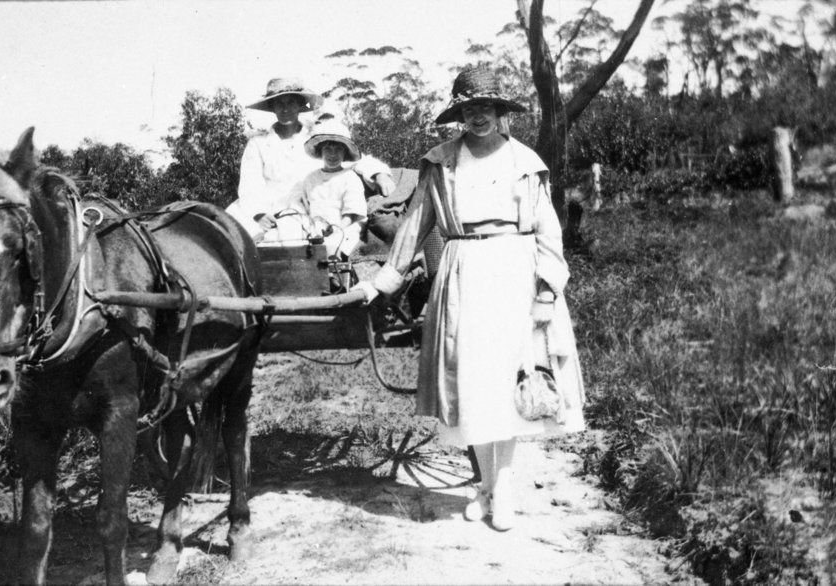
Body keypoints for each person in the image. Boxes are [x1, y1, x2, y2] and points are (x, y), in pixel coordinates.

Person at [354, 66, 586, 532]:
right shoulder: (440, 163)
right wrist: (382, 281)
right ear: (459, 115)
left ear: (501, 113)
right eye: (469, 109)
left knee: (512, 385)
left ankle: (501, 490)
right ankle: (483, 488)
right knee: (475, 390)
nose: (478, 117)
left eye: (487, 108)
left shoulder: (525, 162)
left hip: (517, 277)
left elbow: (547, 233)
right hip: (463, 278)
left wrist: (546, 291)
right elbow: (415, 227)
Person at [229, 77, 396, 243]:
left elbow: (352, 159)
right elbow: (250, 185)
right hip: (269, 210)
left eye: (291, 103)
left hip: (310, 208)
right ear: (272, 107)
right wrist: (259, 214)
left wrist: (379, 174)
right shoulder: (258, 143)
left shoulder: (316, 137)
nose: (285, 109)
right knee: (234, 240)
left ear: (300, 106)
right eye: (280, 103)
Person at [289, 118, 367, 257]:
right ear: (320, 151)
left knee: (333, 247)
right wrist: (312, 230)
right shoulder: (311, 179)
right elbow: (306, 209)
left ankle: (335, 276)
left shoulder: (349, 177)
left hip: (344, 227)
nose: (333, 154)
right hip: (316, 229)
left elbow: (351, 213)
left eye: (338, 149)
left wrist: (337, 229)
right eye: (328, 149)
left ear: (345, 153)